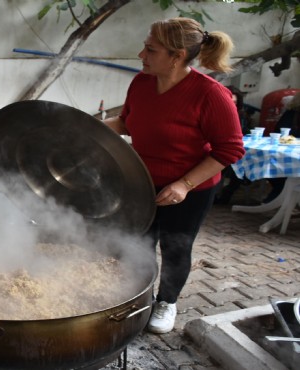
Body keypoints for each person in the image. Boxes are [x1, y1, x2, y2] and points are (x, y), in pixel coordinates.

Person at [103, 18, 245, 334]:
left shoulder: (211, 94)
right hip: (141, 182)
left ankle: (166, 301)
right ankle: (140, 299)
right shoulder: (141, 83)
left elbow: (230, 149)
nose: (142, 55)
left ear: (177, 55)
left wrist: (184, 184)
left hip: (190, 189)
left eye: (150, 49)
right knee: (136, 245)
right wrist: (87, 127)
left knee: (175, 246)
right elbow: (128, 122)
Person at [263, 91, 300, 203]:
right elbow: (279, 131)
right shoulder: (292, 113)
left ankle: (279, 194)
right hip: (288, 150)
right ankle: (280, 192)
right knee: (270, 162)